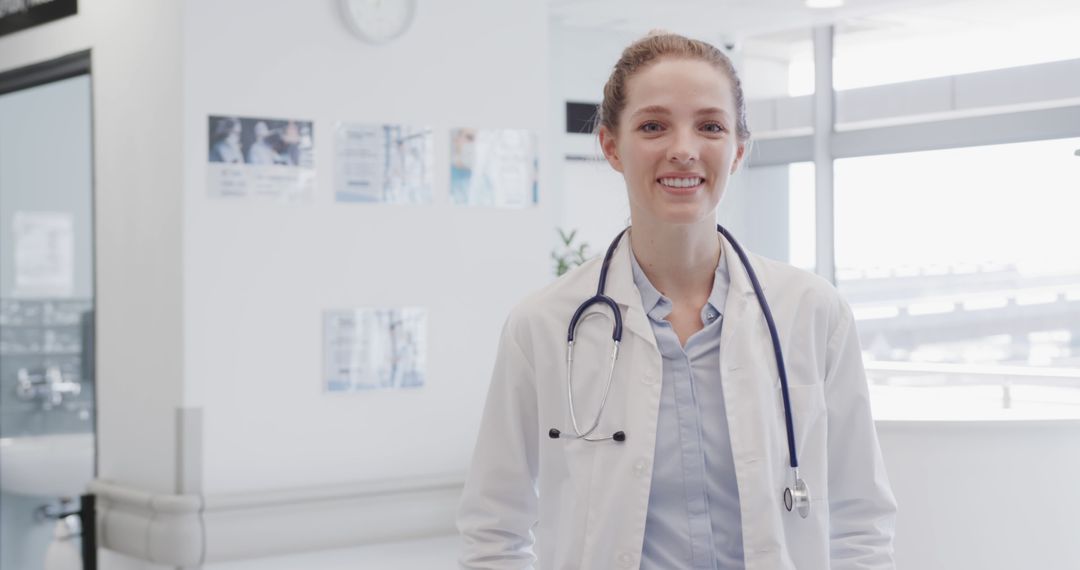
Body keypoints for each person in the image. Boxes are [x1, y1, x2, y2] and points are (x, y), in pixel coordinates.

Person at [457, 31, 897, 570]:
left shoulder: (812, 312)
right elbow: (493, 529)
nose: (684, 148)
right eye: (653, 126)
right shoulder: (542, 326)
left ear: (737, 150)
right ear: (611, 147)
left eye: (710, 126)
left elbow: (862, 521)